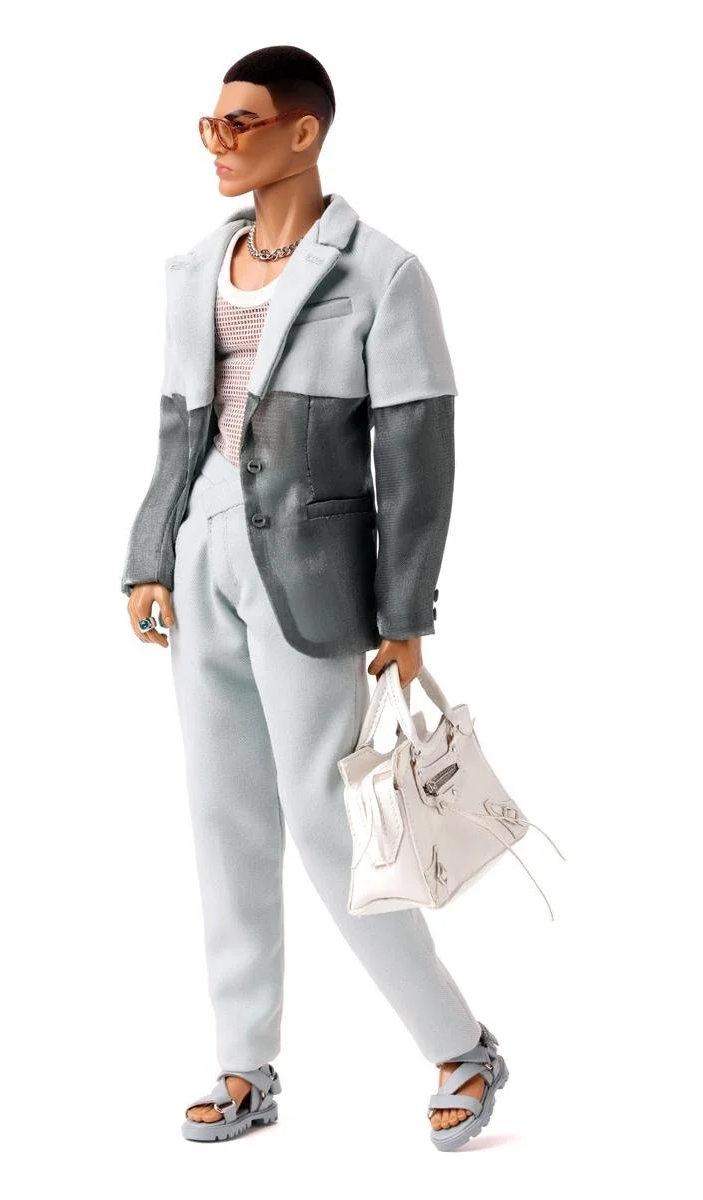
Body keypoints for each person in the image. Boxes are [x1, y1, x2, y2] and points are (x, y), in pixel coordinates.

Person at [121, 44, 508, 1151]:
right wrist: (149, 555)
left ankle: (459, 1045)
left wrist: (405, 614)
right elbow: (177, 429)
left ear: (304, 131)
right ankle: (243, 1066)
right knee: (222, 817)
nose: (217, 143)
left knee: (330, 826)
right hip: (203, 556)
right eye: (210, 123)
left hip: (311, 575)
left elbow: (417, 455)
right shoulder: (196, 267)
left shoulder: (380, 274)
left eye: (239, 123)